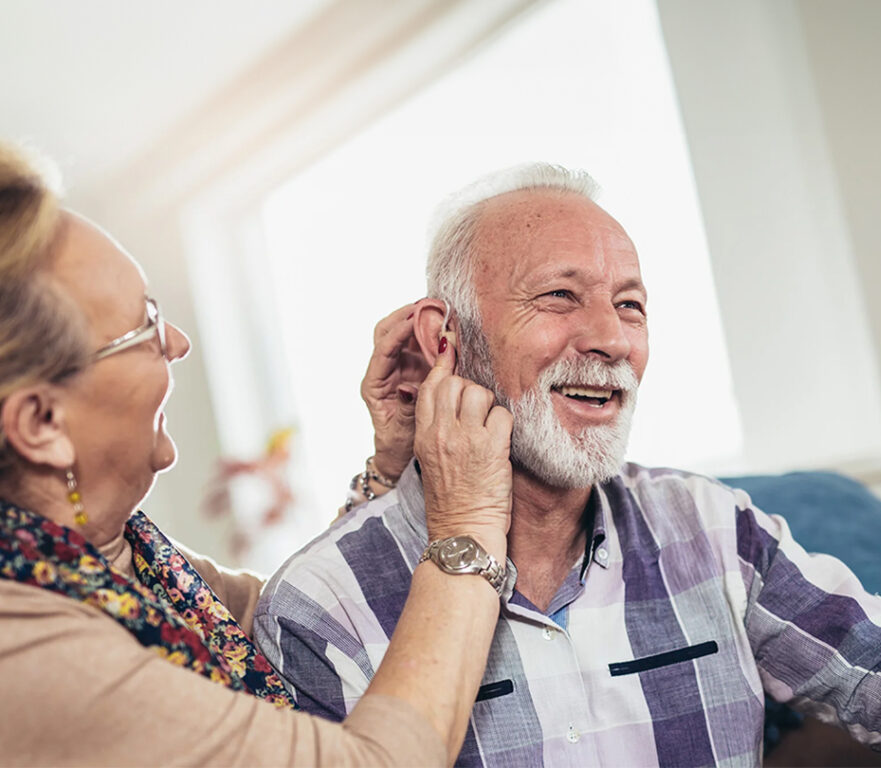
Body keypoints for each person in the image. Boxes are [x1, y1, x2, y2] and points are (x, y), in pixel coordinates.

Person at [255, 163, 881, 767]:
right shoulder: (321, 607)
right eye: (559, 296)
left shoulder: (713, 529)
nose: (611, 339)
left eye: (630, 305)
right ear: (445, 339)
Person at [0, 140, 515, 766]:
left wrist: (389, 467)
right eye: (145, 328)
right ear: (42, 423)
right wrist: (468, 528)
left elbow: (299, 630)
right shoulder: (33, 659)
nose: (178, 343)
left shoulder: (129, 566)